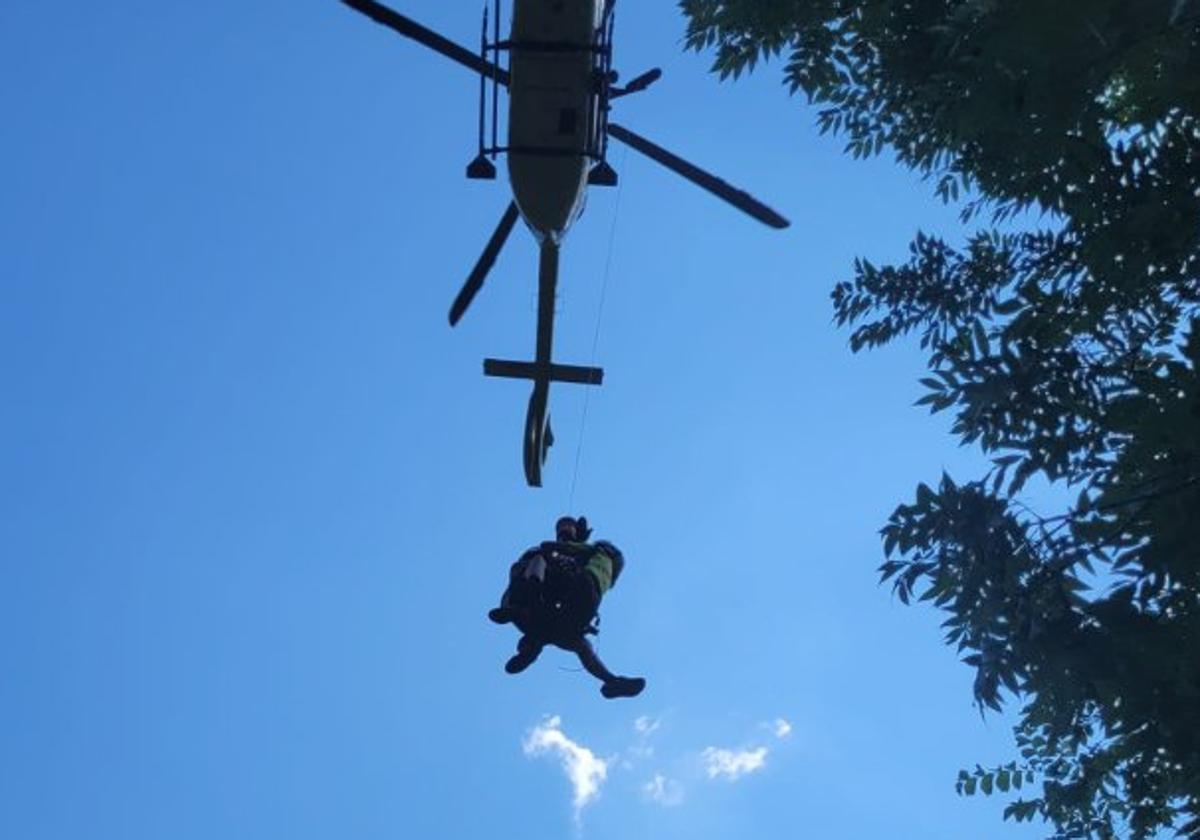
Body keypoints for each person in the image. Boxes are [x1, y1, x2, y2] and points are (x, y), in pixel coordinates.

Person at [489, 516, 646, 699]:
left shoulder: (588, 556)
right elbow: (556, 552)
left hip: (539, 611)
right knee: (580, 644)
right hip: (554, 606)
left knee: (546, 631)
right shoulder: (596, 567)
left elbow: (562, 550)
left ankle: (526, 640)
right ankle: (612, 681)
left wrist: (568, 544)